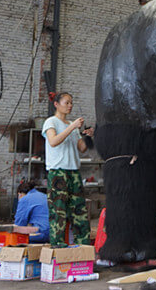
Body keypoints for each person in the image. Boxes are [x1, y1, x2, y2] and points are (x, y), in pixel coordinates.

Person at [42, 91, 94, 246]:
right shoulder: (51, 122)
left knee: (80, 212)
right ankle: (58, 246)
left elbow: (82, 148)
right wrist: (72, 127)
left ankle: (83, 246)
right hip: (58, 172)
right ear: (56, 104)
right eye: (67, 102)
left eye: (71, 103)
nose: (70, 106)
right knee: (58, 212)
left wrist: (88, 136)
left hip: (74, 172)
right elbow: (53, 141)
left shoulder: (72, 126)